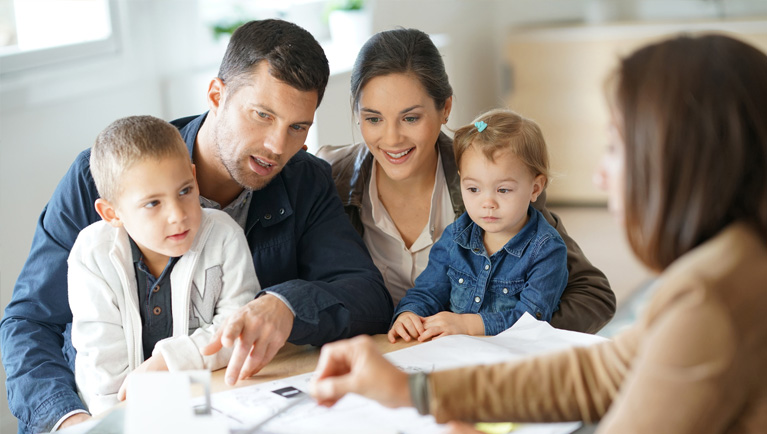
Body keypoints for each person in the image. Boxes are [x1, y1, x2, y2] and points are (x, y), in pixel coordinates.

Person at [310, 34, 767, 432]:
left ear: (687, 161)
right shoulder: (733, 260)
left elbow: (596, 318)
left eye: (615, 147)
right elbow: (603, 373)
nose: (601, 176)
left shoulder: (707, 301)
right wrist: (417, 391)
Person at [0, 19, 392, 433]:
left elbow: (366, 294)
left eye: (298, 127)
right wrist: (69, 421)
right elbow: (30, 322)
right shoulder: (99, 178)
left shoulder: (303, 180)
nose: (278, 147)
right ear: (216, 95)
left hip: (227, 412)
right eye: (262, 115)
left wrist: (286, 306)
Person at [316, 28, 614, 333]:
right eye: (374, 119)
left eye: (410, 118)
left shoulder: (497, 176)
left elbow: (593, 296)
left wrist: (489, 330)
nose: (391, 139)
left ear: (445, 108)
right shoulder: (329, 178)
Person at [68, 115, 259, 415]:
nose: (177, 215)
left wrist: (168, 363)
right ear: (111, 213)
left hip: (208, 401)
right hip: (119, 413)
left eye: (184, 191)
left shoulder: (224, 236)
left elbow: (239, 329)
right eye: (153, 203)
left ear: (195, 179)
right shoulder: (92, 255)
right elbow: (102, 372)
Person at [389, 109, 568, 342]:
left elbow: (532, 320)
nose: (487, 204)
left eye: (503, 190)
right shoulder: (455, 237)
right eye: (473, 189)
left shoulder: (546, 250)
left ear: (535, 188)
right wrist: (409, 313)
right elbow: (428, 292)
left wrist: (467, 324)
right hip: (456, 355)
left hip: (514, 361)